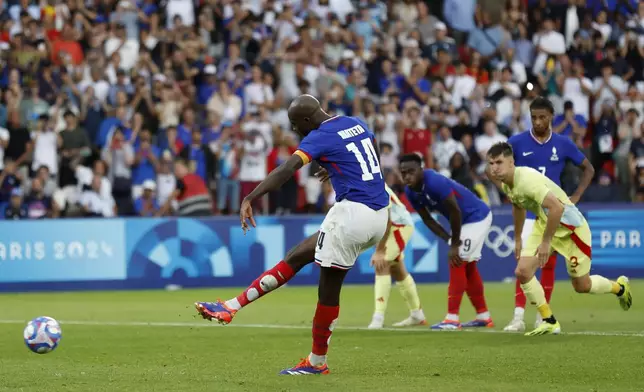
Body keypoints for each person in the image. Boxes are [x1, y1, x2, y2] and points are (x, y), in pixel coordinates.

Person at [195, 95, 390, 375]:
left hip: (353, 215)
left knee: (327, 290)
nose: (296, 131)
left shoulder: (319, 136)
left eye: (297, 125)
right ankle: (231, 306)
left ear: (308, 120)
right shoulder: (353, 122)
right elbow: (371, 147)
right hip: (379, 214)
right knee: (298, 256)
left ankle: (316, 362)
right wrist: (344, 168)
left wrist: (251, 196)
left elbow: (287, 169)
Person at [486, 142, 632, 336]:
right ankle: (549, 320)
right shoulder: (508, 185)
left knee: (582, 285)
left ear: (511, 162)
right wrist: (519, 238)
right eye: (491, 163)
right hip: (544, 223)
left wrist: (546, 242)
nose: (494, 168)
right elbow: (518, 206)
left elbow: (557, 208)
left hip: (571, 230)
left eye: (499, 162)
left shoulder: (527, 181)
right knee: (522, 271)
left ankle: (619, 288)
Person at [503, 97, 595, 332]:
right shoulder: (516, 143)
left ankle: (542, 316)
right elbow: (500, 166)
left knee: (548, 265)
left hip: (552, 211)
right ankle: (517, 316)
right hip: (528, 211)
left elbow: (588, 169)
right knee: (523, 265)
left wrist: (577, 196)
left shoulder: (563, 144)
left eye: (542, 117)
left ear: (552, 117)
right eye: (533, 117)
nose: (538, 121)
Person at [399, 153, 493, 330]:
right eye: (403, 173)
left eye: (411, 172)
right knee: (468, 267)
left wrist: (455, 243)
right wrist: (449, 239)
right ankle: (483, 316)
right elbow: (427, 220)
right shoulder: (410, 191)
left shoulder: (434, 181)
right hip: (465, 222)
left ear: (421, 169)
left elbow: (455, 211)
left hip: (476, 216)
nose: (407, 176)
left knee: (456, 261)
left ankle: (452, 318)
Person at [368, 184, 426, 329]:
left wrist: (380, 250)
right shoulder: (363, 181)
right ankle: (417, 314)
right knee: (397, 270)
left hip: (399, 226)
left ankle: (378, 318)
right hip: (391, 226)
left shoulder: (374, 185)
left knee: (382, 263)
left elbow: (386, 221)